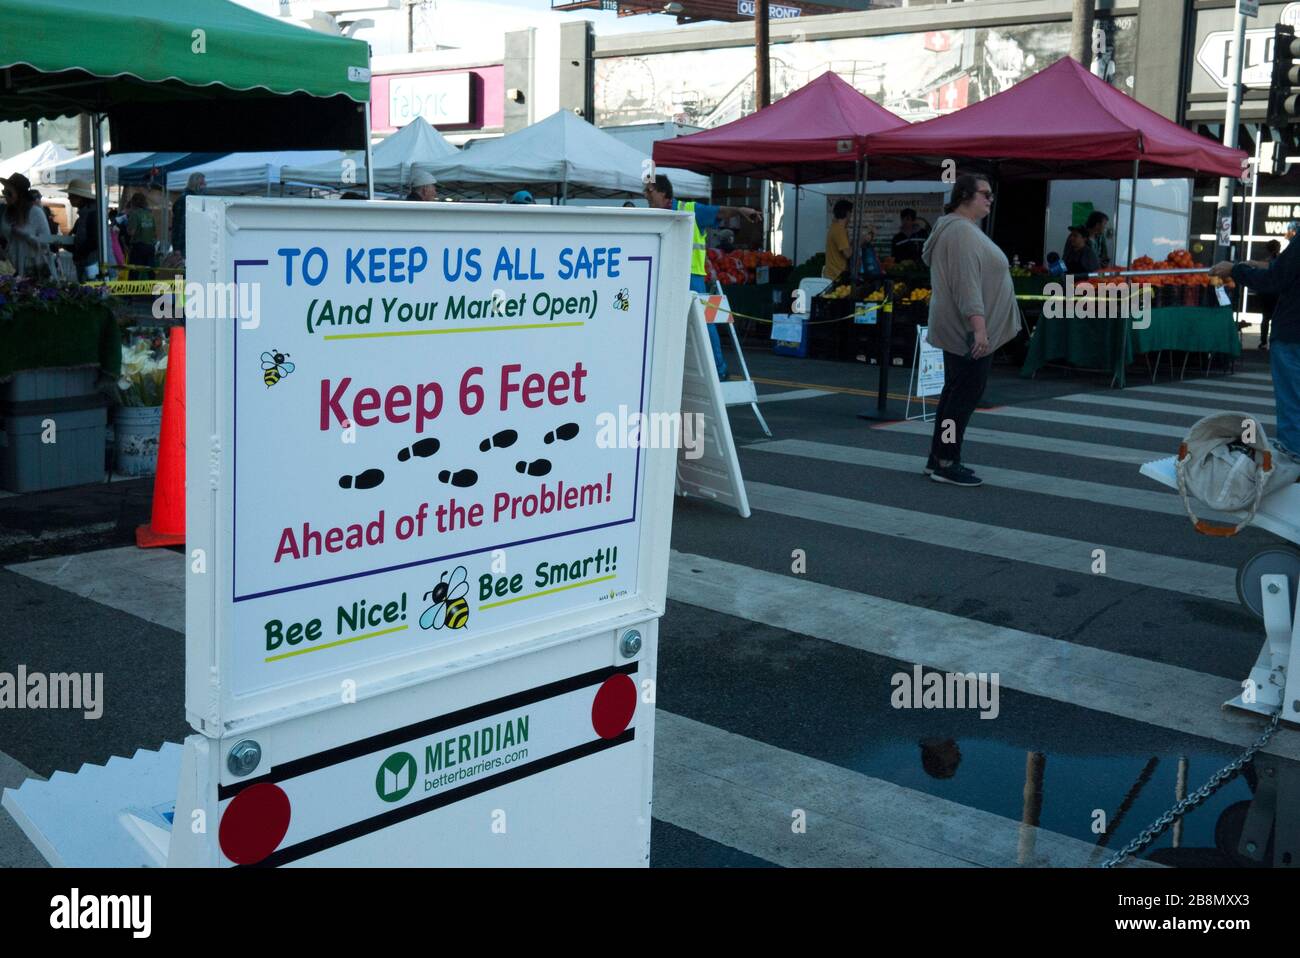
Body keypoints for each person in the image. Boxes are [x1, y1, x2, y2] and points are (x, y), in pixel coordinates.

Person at [921, 173, 1022, 487]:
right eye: (985, 194)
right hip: (968, 331)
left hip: (961, 328)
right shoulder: (961, 232)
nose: (990, 199)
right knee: (962, 397)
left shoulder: (957, 229)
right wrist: (979, 328)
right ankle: (947, 460)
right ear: (965, 195)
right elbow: (967, 285)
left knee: (955, 394)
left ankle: (940, 457)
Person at [643, 174, 761, 379]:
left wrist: (740, 210)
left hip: (691, 277)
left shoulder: (690, 210)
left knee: (705, 325)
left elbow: (719, 212)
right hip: (666, 275)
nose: (646, 195)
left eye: (649, 191)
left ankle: (718, 371)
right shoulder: (654, 215)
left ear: (663, 192)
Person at [1212, 246, 1300, 459]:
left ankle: (1295, 457)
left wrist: (1235, 270)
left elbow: (1275, 279)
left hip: (1293, 333)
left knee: (1293, 406)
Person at [0, 173, 51, 278]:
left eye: (9, 192)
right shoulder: (6, 212)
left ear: (20, 194)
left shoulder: (36, 212)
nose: (5, 195)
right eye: (4, 191)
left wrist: (25, 235)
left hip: (32, 268)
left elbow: (47, 243)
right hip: (10, 268)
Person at [62, 178, 100, 280]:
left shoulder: (92, 214)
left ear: (80, 198)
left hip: (91, 264)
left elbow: (93, 242)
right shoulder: (85, 215)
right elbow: (80, 242)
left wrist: (78, 253)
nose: (68, 198)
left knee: (91, 292)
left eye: (71, 196)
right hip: (88, 263)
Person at [1256, 239, 1281, 351]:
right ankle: (1275, 341)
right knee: (1277, 318)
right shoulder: (1282, 261)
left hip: (1265, 294)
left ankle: (1263, 342)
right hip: (1277, 293)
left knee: (1265, 318)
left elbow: (1260, 278)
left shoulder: (1264, 263)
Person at [171, 172, 204, 255]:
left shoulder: (195, 199)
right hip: (185, 245)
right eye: (202, 183)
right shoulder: (185, 200)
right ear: (195, 183)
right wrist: (177, 247)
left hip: (193, 242)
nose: (204, 186)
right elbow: (179, 225)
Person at [125, 192, 157, 269]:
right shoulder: (150, 215)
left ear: (133, 202)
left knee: (134, 272)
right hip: (150, 247)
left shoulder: (135, 214)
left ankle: (179, 281)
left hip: (138, 248)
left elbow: (131, 232)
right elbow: (155, 233)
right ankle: (179, 281)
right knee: (150, 272)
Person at [824, 199, 853, 281]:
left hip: (833, 275)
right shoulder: (839, 230)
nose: (851, 217)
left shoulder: (835, 227)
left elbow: (843, 247)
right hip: (836, 277)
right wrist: (860, 242)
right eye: (851, 213)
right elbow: (847, 254)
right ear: (847, 213)